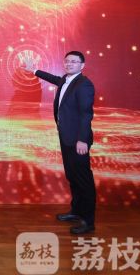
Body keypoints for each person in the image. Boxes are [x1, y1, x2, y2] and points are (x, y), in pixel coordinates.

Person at [23, 51, 96, 234]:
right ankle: (76, 211)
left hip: (78, 141)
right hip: (66, 137)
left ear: (82, 65)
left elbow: (86, 114)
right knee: (72, 177)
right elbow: (54, 79)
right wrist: (34, 71)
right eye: (67, 61)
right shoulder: (65, 80)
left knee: (83, 180)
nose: (69, 64)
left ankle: (88, 221)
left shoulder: (84, 84)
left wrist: (82, 140)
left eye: (74, 62)